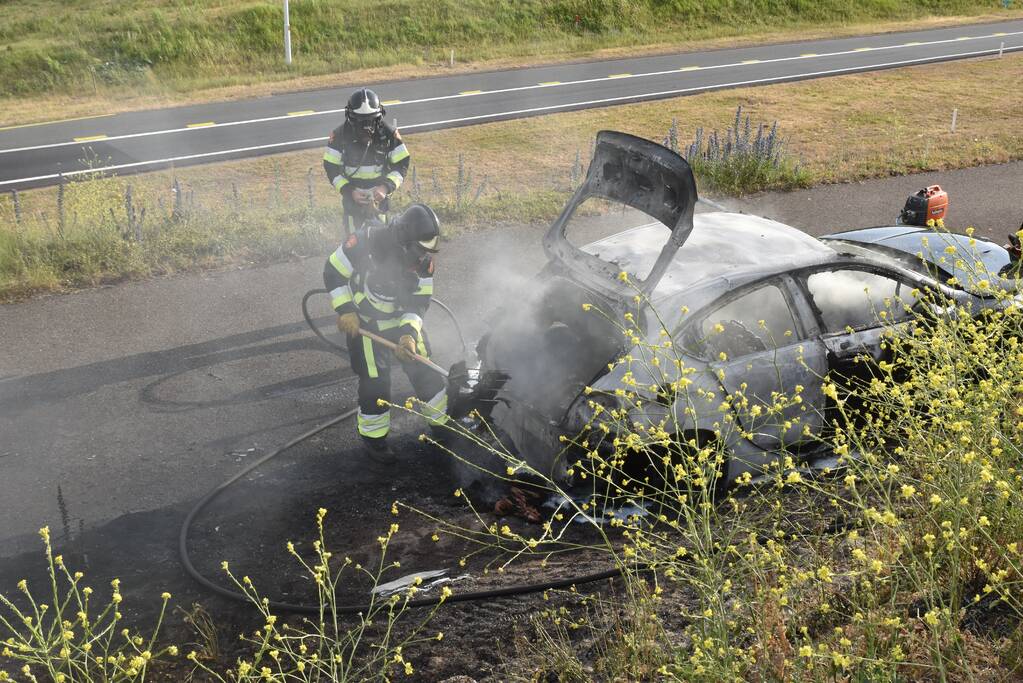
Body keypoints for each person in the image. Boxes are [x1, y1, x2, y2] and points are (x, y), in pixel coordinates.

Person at [323, 203, 449, 458]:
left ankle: (445, 428)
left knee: (425, 371)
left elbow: (418, 302)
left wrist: (408, 335)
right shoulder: (363, 243)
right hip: (366, 323)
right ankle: (375, 440)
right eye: (419, 252)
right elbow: (333, 272)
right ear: (403, 243)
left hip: (401, 322)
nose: (423, 259)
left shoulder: (424, 262)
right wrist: (345, 309)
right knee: (375, 382)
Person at [323, 88, 411, 237]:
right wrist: (350, 191)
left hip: (379, 201)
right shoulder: (339, 136)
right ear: (350, 117)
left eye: (371, 120)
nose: (366, 127)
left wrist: (385, 187)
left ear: (379, 116)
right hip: (352, 201)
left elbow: (402, 164)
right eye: (360, 121)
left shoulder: (389, 134)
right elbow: (331, 168)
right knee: (354, 243)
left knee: (382, 242)